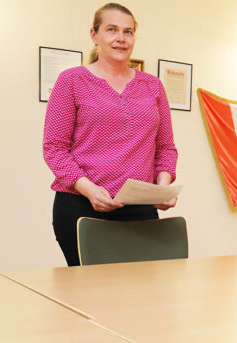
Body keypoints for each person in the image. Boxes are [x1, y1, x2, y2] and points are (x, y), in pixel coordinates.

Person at [43, 3, 178, 266]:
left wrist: (162, 187)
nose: (121, 38)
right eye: (112, 30)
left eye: (128, 32)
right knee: (89, 293)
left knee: (141, 293)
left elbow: (166, 148)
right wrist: (90, 190)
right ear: (94, 35)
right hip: (80, 207)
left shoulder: (153, 86)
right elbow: (54, 149)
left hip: (139, 207)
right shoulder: (70, 81)